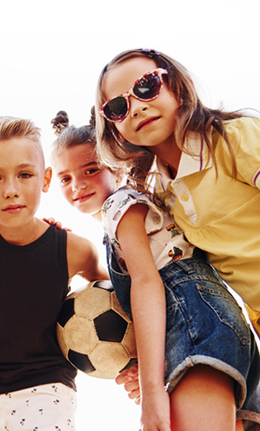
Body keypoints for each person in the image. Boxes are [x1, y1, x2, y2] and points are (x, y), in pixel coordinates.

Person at [50, 110, 260, 431]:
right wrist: (151, 362)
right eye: (65, 178)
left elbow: (148, 281)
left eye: (90, 170)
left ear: (115, 167)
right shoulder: (122, 216)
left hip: (197, 327)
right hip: (211, 326)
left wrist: (151, 389)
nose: (77, 185)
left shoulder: (120, 206)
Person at [94, 48, 260, 336]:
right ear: (115, 127)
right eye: (118, 107)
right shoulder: (158, 192)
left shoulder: (233, 139)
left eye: (146, 86)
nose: (136, 108)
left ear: (179, 88)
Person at [0, 116, 106, 431]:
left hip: (48, 387)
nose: (11, 190)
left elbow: (113, 299)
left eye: (25, 174)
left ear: (46, 180)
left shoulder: (75, 250)